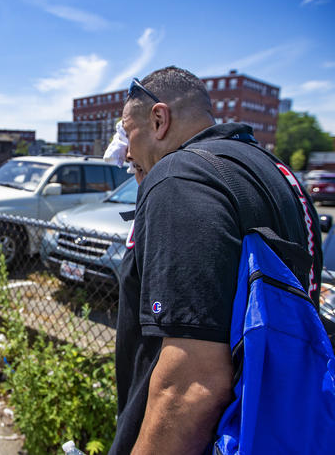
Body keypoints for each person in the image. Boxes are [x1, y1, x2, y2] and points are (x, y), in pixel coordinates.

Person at [109, 66, 322, 454]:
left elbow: (190, 385)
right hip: (278, 430)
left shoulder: (179, 178)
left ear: (159, 119)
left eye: (128, 132)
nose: (126, 152)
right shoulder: (279, 174)